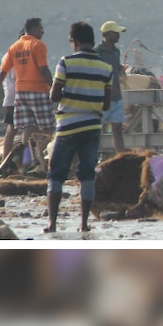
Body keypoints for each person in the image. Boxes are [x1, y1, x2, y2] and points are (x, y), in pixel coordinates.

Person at [46, 21, 112, 233]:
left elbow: (54, 96)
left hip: (67, 126)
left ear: (74, 41)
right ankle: (84, 224)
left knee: (56, 174)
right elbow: (107, 103)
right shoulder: (106, 68)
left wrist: (71, 96)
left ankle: (52, 224)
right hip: (92, 126)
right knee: (87, 174)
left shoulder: (66, 62)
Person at [0, 18, 54, 151]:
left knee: (28, 127)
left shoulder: (14, 47)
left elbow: (2, 72)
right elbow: (43, 69)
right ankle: (39, 157)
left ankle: (27, 160)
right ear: (33, 29)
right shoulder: (38, 45)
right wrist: (53, 87)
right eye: (40, 28)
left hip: (21, 93)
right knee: (47, 127)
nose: (42, 31)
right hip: (38, 89)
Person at [94, 21, 127, 154]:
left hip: (117, 98)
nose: (118, 35)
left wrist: (119, 68)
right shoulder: (96, 52)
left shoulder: (116, 52)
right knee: (97, 131)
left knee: (118, 131)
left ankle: (122, 157)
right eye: (115, 33)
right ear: (106, 34)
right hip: (101, 99)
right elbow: (94, 73)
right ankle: (93, 158)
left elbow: (114, 67)